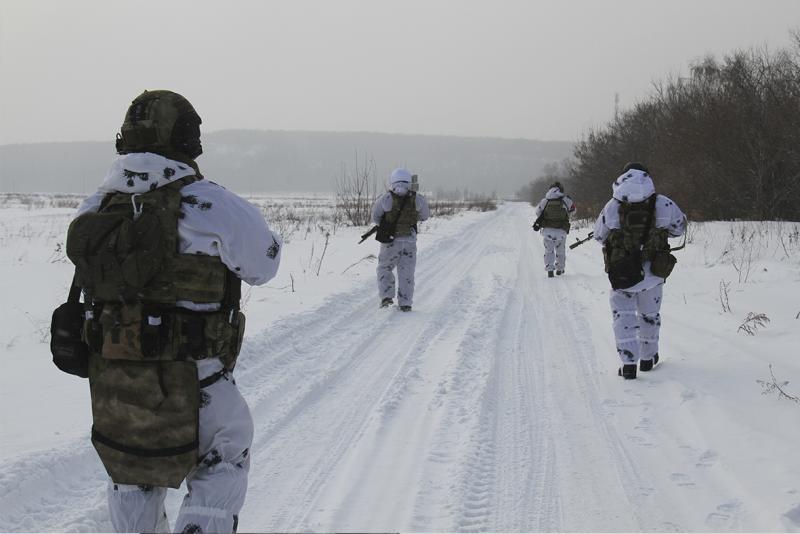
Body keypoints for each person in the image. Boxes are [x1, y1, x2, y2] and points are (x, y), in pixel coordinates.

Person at [64, 90, 281, 533]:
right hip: (195, 373)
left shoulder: (97, 206)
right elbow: (263, 265)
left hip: (115, 375)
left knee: (130, 474)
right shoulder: (208, 203)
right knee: (223, 457)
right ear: (187, 139)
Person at [593, 162, 686, 379]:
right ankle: (648, 358)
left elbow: (599, 235)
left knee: (623, 316)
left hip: (622, 272)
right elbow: (679, 228)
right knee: (650, 316)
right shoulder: (663, 203)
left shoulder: (612, 206)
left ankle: (628, 364)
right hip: (654, 273)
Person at [371, 167, 430, 311]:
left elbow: (375, 217)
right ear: (409, 181)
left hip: (390, 242)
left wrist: (387, 226)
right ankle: (405, 304)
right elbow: (424, 216)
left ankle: (387, 299)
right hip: (409, 242)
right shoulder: (418, 199)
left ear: (393, 181)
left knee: (384, 268)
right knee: (407, 273)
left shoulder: (386, 199)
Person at [532, 181, 576, 277]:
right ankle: (560, 269)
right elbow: (573, 211)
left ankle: (550, 270)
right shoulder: (566, 200)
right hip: (561, 231)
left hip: (548, 231)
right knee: (560, 251)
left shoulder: (545, 201)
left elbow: (538, 213)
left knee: (549, 251)